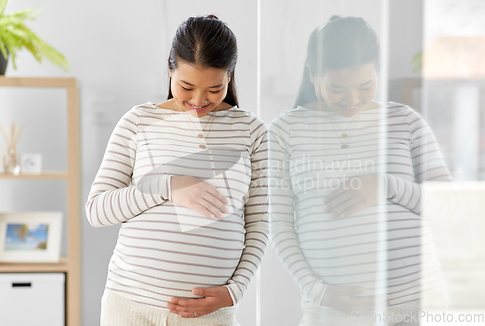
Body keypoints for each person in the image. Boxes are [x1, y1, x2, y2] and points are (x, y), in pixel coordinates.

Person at [269, 15, 461, 326]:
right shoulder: (284, 130)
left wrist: (386, 186)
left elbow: (451, 207)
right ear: (313, 75)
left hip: (419, 305)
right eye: (337, 89)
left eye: (365, 86)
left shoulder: (404, 121)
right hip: (333, 313)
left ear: (377, 72)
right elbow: (278, 225)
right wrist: (317, 292)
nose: (352, 100)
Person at [86, 15, 269, 326]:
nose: (199, 100)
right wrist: (168, 185)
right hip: (130, 307)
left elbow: (259, 224)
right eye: (186, 86)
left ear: (230, 76)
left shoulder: (252, 131)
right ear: (170, 68)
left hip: (209, 315)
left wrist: (235, 291)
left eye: (215, 88)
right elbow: (97, 210)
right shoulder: (138, 122)